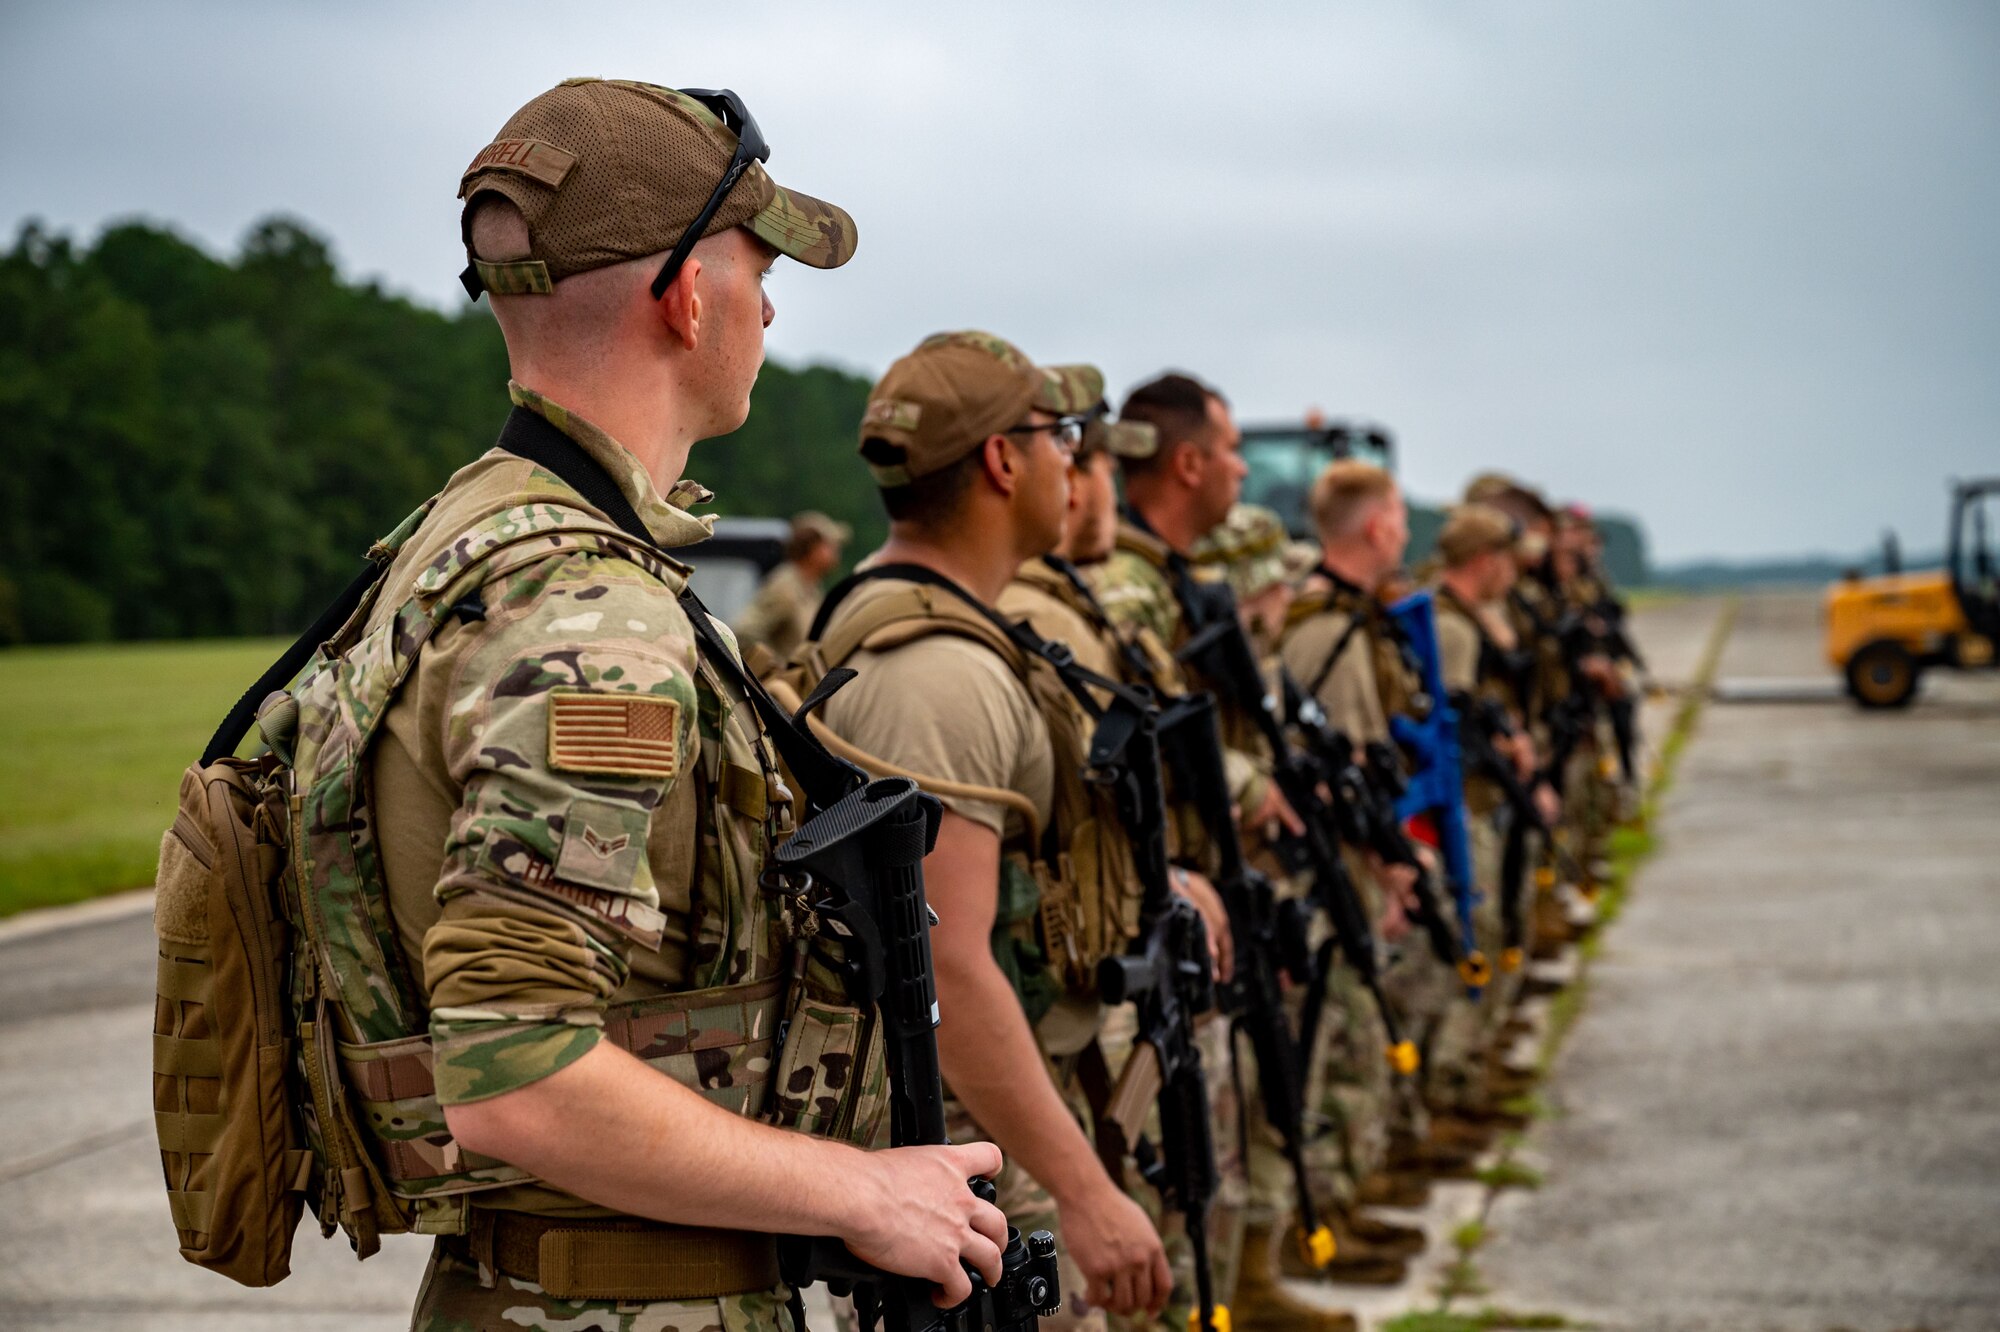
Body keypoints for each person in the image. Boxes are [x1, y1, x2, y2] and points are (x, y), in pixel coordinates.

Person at [345, 79, 1005, 1330]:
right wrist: (859, 1191)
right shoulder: (587, 615)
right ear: (687, 298)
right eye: (758, 266)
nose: (769, 304)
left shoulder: (454, 544)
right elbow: (512, 1068)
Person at [808, 333, 1174, 1331]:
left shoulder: (958, 638)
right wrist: (1087, 1192)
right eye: (1059, 436)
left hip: (978, 1123)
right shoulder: (939, 673)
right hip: (967, 1141)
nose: (1074, 460)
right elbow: (947, 966)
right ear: (1002, 462)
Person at [1095, 375, 1365, 1332]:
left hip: (1205, 894)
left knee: (1227, 1124)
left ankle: (1241, 1288)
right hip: (1153, 912)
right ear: (1189, 460)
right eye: (1234, 446)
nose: (1247, 468)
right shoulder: (1130, 589)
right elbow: (1126, 752)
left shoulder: (1170, 582)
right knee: (1182, 1156)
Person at [1272, 461, 1436, 1283]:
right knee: (1328, 1040)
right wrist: (1382, 861)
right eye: (1399, 515)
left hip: (1352, 865)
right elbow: (1330, 778)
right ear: (1375, 527)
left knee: (1351, 1037)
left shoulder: (1350, 620)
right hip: (1323, 878)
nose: (1405, 531)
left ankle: (1344, 1201)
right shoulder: (1325, 630)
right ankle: (1322, 1219)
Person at [733, 509, 850, 660]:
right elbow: (744, 633)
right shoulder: (785, 587)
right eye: (830, 545)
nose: (836, 551)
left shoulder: (810, 587)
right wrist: (773, 673)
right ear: (811, 547)